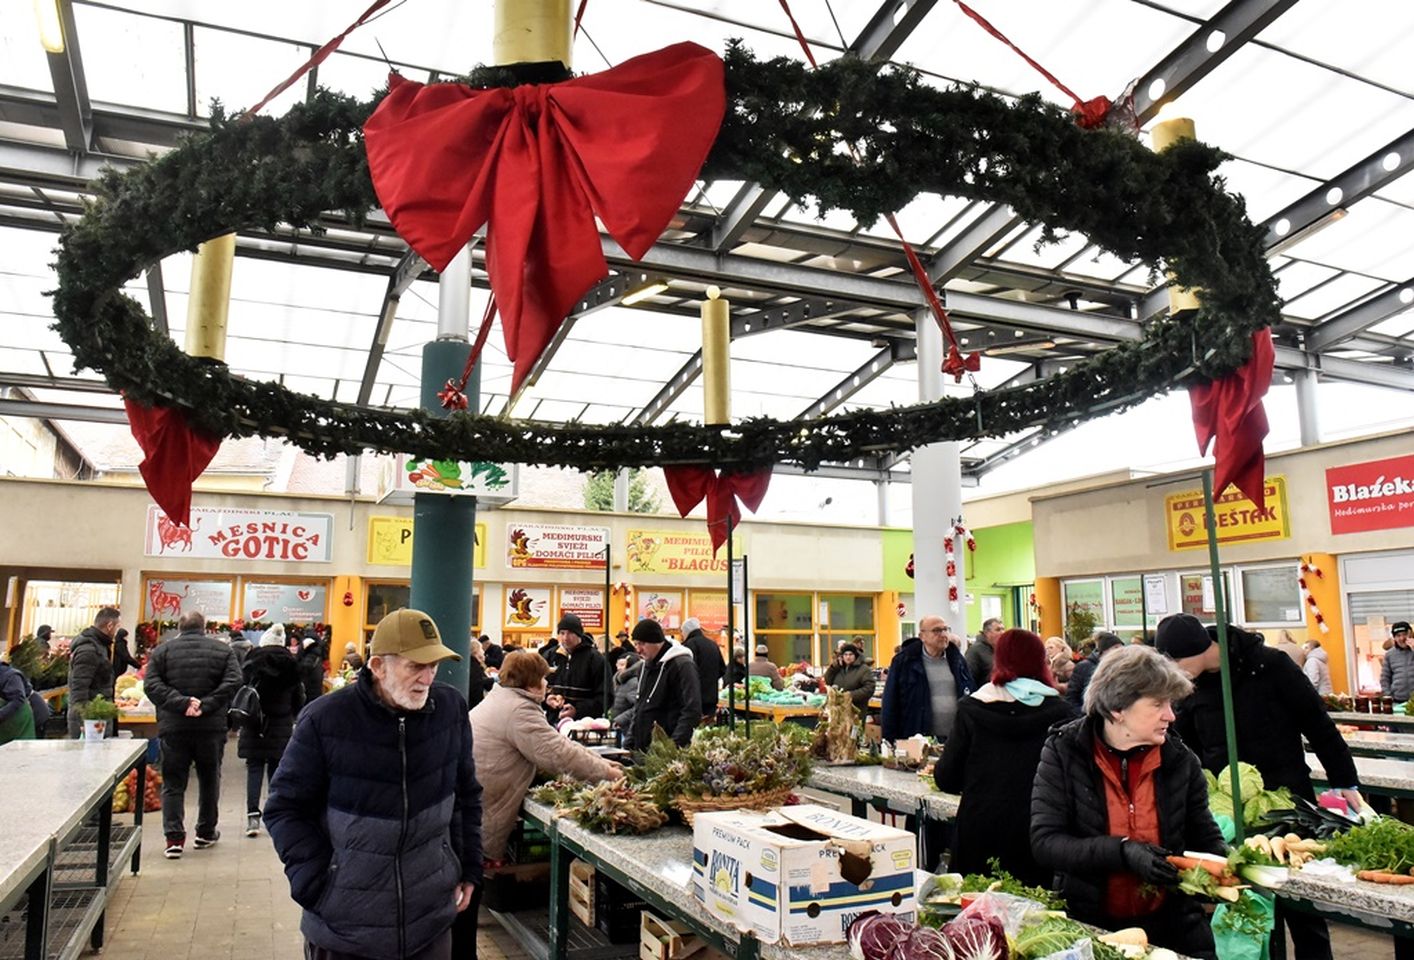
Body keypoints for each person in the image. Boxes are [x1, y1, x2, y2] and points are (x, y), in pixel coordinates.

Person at [265, 608, 482, 960]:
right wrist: (318, 884)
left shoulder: (450, 710)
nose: (427, 678)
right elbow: (284, 808)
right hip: (344, 931)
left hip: (430, 924)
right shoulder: (325, 720)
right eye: (415, 666)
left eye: (434, 666)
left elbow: (466, 796)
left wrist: (468, 867)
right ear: (378, 667)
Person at [1158, 613, 1361, 960]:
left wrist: (1344, 779)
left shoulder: (1269, 665)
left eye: (1176, 661)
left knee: (1301, 900)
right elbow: (1185, 744)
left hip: (1287, 801)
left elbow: (1317, 722)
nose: (1174, 671)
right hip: (1227, 811)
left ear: (1198, 648)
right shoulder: (1189, 687)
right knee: (1245, 898)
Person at [1032, 644, 1223, 958]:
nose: (1170, 715)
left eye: (1171, 703)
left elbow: (1204, 834)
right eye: (1158, 704)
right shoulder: (1065, 753)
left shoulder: (1180, 760)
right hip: (1092, 930)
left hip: (1175, 931)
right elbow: (1046, 842)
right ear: (1117, 709)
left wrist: (1218, 872)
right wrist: (1123, 852)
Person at [936, 629, 1074, 885]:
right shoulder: (1062, 714)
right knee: (1036, 917)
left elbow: (947, 778)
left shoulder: (972, 709)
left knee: (975, 918)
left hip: (980, 829)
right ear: (1040, 660)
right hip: (1036, 833)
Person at [143, 610, 242, 859]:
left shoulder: (162, 652)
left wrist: (181, 703)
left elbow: (151, 685)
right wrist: (206, 704)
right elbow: (234, 680)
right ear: (204, 626)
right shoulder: (222, 651)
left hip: (174, 727)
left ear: (179, 627)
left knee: (174, 783)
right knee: (210, 779)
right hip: (210, 727)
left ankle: (174, 838)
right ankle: (206, 832)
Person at [239, 626, 304, 838]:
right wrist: (295, 716)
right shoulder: (291, 664)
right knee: (277, 769)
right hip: (281, 722)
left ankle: (252, 817)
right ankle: (274, 814)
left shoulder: (252, 661)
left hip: (254, 721)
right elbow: (299, 698)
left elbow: (241, 689)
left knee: (254, 767)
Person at [880, 615, 975, 743]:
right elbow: (890, 702)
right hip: (918, 739)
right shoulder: (905, 662)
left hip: (956, 739)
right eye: (936, 631)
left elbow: (971, 695)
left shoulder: (957, 660)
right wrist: (889, 740)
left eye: (945, 629)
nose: (943, 634)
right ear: (922, 636)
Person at [627, 618, 701, 750]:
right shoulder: (645, 667)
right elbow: (639, 707)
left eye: (642, 644)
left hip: (666, 753)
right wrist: (629, 742)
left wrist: (672, 748)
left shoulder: (682, 665)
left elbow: (691, 710)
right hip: (642, 749)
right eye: (636, 644)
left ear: (656, 641)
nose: (638, 649)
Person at [67, 607, 120, 738]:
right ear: (109, 626)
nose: (117, 631)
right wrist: (84, 723)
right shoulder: (89, 650)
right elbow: (79, 690)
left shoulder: (99, 646)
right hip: (91, 721)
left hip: (97, 716)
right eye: (117, 627)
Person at [545, 614, 606, 721]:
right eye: (562, 633)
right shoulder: (550, 656)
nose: (565, 638)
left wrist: (577, 710)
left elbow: (605, 697)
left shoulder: (595, 659)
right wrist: (547, 699)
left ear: (579, 635)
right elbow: (536, 687)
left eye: (570, 633)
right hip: (553, 721)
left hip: (584, 724)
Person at [1066, 631, 1124, 711]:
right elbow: (1072, 696)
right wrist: (1082, 716)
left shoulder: (1121, 667)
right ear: (1104, 650)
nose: (1120, 651)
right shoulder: (1084, 667)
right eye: (1116, 648)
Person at [680, 617, 724, 722]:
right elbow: (723, 669)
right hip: (712, 698)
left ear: (686, 632)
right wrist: (710, 679)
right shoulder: (713, 645)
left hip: (694, 699)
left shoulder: (688, 646)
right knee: (708, 732)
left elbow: (686, 674)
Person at [824, 643, 874, 714]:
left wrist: (850, 695)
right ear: (842, 656)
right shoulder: (838, 669)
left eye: (850, 654)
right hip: (838, 711)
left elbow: (869, 688)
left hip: (856, 711)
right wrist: (833, 667)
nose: (848, 657)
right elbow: (828, 681)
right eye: (845, 654)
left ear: (855, 655)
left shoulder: (863, 669)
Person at [0, 657, 37, 743]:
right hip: (5, 722)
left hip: (18, 716)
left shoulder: (9, 675)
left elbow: (18, 699)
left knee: (21, 750)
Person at [610, 654, 643, 737]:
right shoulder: (619, 681)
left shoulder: (633, 683)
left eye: (622, 665)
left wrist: (620, 720)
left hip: (626, 730)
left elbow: (637, 706)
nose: (619, 668)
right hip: (618, 727)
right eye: (618, 664)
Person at [966, 617, 1004, 686]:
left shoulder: (1003, 649)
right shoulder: (975, 651)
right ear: (987, 633)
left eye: (1003, 629)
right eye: (998, 630)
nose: (1002, 632)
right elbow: (969, 677)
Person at [1383, 621, 1414, 702]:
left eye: (1404, 634)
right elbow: (1385, 678)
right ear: (1394, 638)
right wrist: (1388, 695)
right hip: (1398, 700)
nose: (1402, 638)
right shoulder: (1389, 654)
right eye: (1398, 635)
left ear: (1410, 634)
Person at [296, 634, 325, 710]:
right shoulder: (318, 657)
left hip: (308, 694)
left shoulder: (308, 659)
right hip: (316, 693)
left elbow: (301, 674)